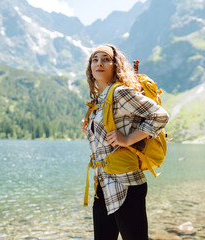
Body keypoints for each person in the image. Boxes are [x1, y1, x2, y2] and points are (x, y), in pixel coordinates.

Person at [82, 44, 169, 240]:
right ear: (90, 68)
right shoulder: (99, 100)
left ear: (116, 65)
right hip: (103, 183)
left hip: (126, 182)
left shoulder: (120, 93)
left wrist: (129, 139)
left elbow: (160, 116)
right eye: (94, 60)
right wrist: (90, 128)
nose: (99, 63)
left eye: (106, 59)